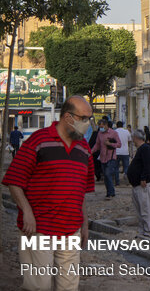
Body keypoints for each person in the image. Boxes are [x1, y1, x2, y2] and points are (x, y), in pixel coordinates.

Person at [2, 95, 94, 290]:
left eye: (89, 119)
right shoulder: (39, 141)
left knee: (69, 286)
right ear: (68, 117)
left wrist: (84, 225)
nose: (88, 123)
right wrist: (26, 212)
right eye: (84, 118)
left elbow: (81, 192)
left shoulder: (84, 148)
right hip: (38, 230)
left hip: (71, 231)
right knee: (39, 286)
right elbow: (14, 181)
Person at [126, 129, 150, 237]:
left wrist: (143, 178)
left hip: (143, 184)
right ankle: (142, 230)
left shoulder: (145, 149)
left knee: (145, 208)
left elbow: (148, 165)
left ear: (136, 138)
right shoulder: (141, 149)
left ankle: (148, 231)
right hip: (136, 184)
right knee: (140, 209)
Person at [93, 118, 121, 199]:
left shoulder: (114, 133)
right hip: (102, 158)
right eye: (99, 126)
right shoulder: (99, 134)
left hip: (111, 157)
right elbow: (97, 145)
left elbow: (119, 144)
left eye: (102, 126)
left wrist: (110, 144)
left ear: (106, 125)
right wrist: (90, 152)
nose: (100, 128)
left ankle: (111, 192)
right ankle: (109, 192)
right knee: (105, 175)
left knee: (108, 173)